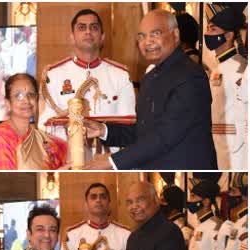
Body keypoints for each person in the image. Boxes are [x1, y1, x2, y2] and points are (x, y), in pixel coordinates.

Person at [83, 9, 217, 170]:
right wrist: (103, 130)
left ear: (175, 35)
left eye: (155, 34)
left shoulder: (190, 76)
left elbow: (166, 135)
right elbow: (143, 131)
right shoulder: (149, 78)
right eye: (141, 36)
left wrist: (112, 161)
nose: (147, 42)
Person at [39, 9, 135, 158]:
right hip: (68, 158)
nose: (88, 31)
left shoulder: (120, 75)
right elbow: (45, 126)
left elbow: (129, 128)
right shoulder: (54, 75)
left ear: (102, 37)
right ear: (72, 37)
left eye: (94, 27)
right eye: (82, 27)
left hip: (109, 159)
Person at [0, 73, 67, 170]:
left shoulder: (42, 138)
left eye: (31, 95)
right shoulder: (0, 135)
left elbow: (70, 157)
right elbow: (6, 180)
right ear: (8, 103)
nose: (26, 101)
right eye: (18, 96)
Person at [205, 6, 248, 170]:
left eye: (213, 29)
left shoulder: (241, 68)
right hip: (219, 144)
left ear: (229, 35)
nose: (208, 34)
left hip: (236, 148)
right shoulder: (218, 68)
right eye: (208, 29)